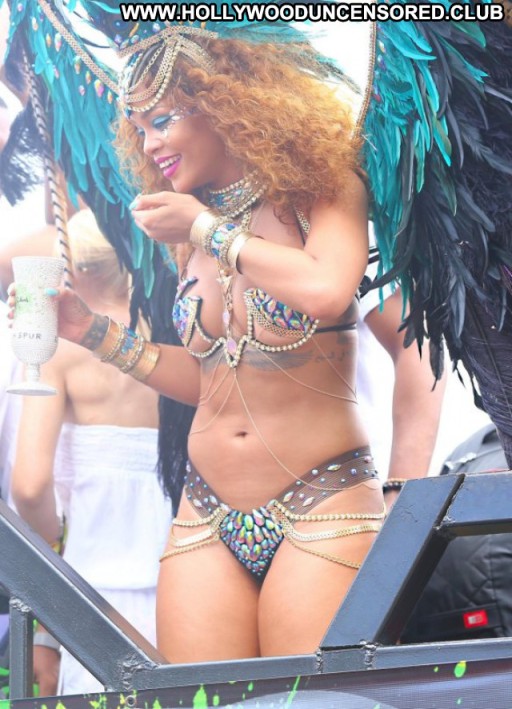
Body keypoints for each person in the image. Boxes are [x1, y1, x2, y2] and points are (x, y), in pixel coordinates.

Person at [10, 32, 385, 663]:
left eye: (162, 121)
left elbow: (325, 290)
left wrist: (207, 230)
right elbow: (213, 378)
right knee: (200, 701)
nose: (149, 144)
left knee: (310, 702)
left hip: (322, 501)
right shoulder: (187, 226)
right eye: (138, 129)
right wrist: (92, 333)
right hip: (204, 511)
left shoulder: (321, 189)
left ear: (224, 106)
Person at [10, 209, 172, 694]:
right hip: (183, 570)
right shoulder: (172, 333)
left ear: (74, 269)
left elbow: (29, 485)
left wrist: (50, 548)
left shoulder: (57, 350)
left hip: (92, 578)